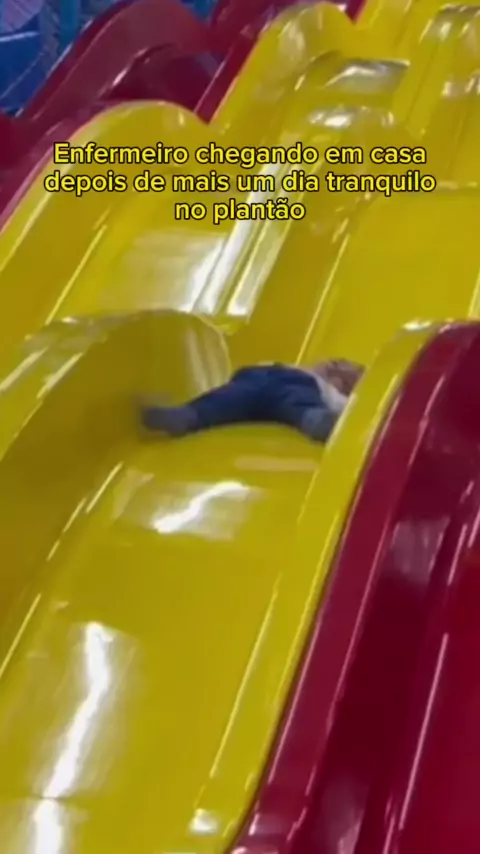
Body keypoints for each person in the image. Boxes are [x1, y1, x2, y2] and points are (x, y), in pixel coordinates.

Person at [140, 359, 364, 442]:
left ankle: (315, 420)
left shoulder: (324, 389)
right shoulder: (299, 367)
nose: (335, 364)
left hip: (293, 385)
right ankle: (187, 415)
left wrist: (341, 401)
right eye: (336, 361)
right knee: (229, 398)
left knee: (294, 401)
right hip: (256, 378)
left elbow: (347, 407)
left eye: (347, 368)